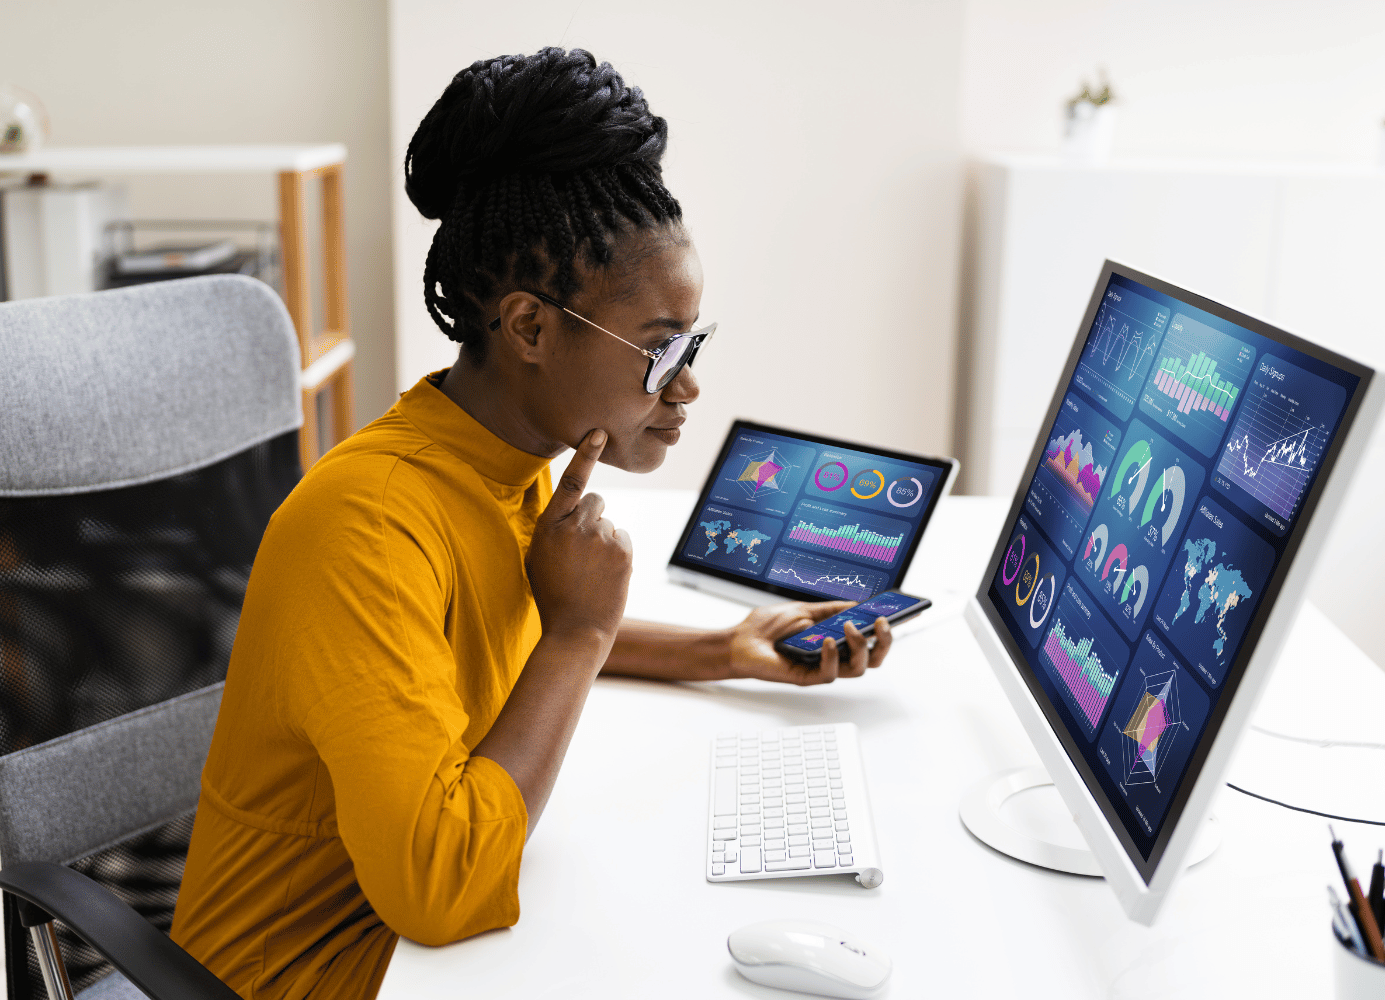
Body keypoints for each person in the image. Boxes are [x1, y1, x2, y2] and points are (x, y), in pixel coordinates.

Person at [171, 47, 893, 1000]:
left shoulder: (496, 465)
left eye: (693, 341)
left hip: (411, 956)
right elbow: (441, 890)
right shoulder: (371, 524)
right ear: (528, 328)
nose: (686, 386)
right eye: (657, 348)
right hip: (305, 973)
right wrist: (583, 632)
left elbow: (494, 629)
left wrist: (725, 648)